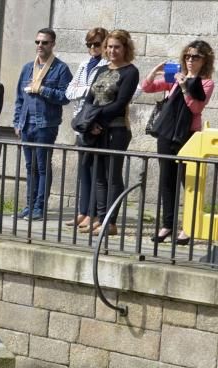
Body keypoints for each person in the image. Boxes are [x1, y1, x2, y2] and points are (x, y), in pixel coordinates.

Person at [142, 40, 215, 244]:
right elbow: (147, 88)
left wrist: (184, 86)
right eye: (188, 56)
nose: (190, 60)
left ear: (204, 60)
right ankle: (167, 225)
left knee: (188, 182)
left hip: (188, 135)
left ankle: (189, 227)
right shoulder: (175, 78)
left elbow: (196, 109)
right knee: (167, 179)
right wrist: (156, 70)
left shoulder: (206, 82)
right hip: (167, 133)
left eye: (196, 57)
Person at [81, 29, 139, 237]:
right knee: (98, 176)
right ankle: (100, 218)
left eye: (117, 47)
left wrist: (98, 120)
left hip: (116, 129)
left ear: (125, 49)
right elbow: (90, 99)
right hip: (96, 129)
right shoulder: (100, 70)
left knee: (113, 175)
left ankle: (111, 222)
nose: (112, 50)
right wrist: (91, 122)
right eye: (109, 46)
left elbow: (119, 103)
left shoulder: (130, 72)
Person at [12, 28, 73, 220]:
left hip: (45, 124)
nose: (40, 45)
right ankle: (29, 205)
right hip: (26, 123)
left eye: (44, 42)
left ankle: (39, 206)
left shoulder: (61, 68)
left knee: (42, 166)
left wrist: (43, 90)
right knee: (30, 166)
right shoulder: (28, 68)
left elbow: (65, 97)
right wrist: (16, 122)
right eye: (37, 42)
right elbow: (19, 98)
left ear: (52, 44)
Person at [65, 28, 108, 230]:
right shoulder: (84, 65)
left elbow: (103, 95)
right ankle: (82, 212)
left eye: (97, 44)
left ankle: (93, 213)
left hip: (94, 123)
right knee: (83, 170)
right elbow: (69, 91)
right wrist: (87, 90)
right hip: (80, 122)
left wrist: (86, 92)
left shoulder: (107, 66)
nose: (93, 48)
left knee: (94, 170)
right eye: (89, 44)